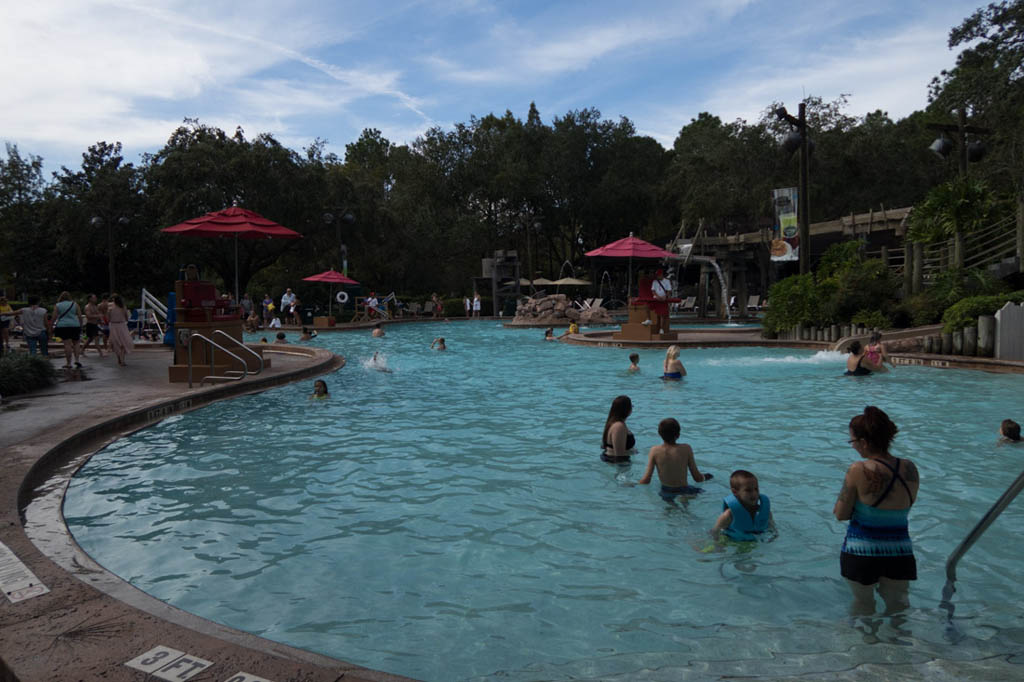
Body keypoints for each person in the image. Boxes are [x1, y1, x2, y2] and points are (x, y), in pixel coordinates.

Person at [834, 406, 919, 615]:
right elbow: (905, 506)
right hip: (900, 552)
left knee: (863, 606)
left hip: (861, 552)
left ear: (863, 442)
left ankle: (865, 645)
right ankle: (901, 646)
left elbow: (840, 514)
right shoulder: (909, 468)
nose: (853, 447)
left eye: (852, 442)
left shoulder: (858, 469)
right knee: (899, 608)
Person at [638, 417, 712, 499]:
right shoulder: (686, 448)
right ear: (678, 435)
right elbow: (697, 478)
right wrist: (705, 477)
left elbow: (646, 480)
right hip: (684, 490)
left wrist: (633, 484)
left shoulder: (654, 451)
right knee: (687, 505)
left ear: (659, 434)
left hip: (666, 491)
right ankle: (684, 502)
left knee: (669, 508)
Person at [711, 470, 773, 541]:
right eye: (748, 490)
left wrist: (773, 537)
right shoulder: (729, 515)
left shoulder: (765, 512)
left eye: (756, 489)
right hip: (732, 542)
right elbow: (714, 532)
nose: (754, 493)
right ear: (735, 492)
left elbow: (772, 528)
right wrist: (718, 546)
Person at [52, 291, 84, 368]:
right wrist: (81, 326)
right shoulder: (75, 304)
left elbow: (54, 317)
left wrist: (51, 326)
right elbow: (80, 316)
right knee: (76, 343)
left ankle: (68, 363)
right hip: (75, 325)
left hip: (62, 326)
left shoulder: (58, 305)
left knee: (67, 344)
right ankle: (77, 360)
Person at [601, 395, 635, 464]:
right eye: (631, 406)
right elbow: (619, 455)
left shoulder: (616, 423)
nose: (632, 407)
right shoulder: (619, 427)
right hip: (616, 463)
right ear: (626, 409)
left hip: (611, 460)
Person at [106, 294, 133, 366]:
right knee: (124, 343)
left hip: (113, 326)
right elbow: (127, 317)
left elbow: (108, 318)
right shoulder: (123, 307)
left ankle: (119, 359)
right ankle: (122, 360)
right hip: (122, 325)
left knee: (116, 343)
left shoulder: (110, 308)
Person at [651, 268, 672, 334]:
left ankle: (662, 328)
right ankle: (657, 328)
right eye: (657, 275)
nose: (657, 276)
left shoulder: (667, 281)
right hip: (656, 299)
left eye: (658, 275)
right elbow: (653, 290)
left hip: (664, 299)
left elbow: (669, 290)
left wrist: (665, 296)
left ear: (662, 275)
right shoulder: (654, 281)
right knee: (656, 314)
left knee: (662, 314)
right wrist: (657, 296)